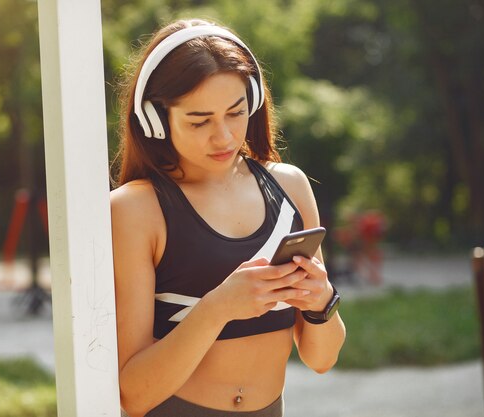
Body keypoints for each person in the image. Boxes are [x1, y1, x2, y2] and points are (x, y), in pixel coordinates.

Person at [110, 18, 346, 417]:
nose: (223, 137)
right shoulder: (134, 209)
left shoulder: (289, 186)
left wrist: (321, 301)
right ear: (155, 119)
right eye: (199, 121)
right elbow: (133, 394)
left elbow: (321, 359)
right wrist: (219, 307)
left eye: (236, 113)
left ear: (253, 102)